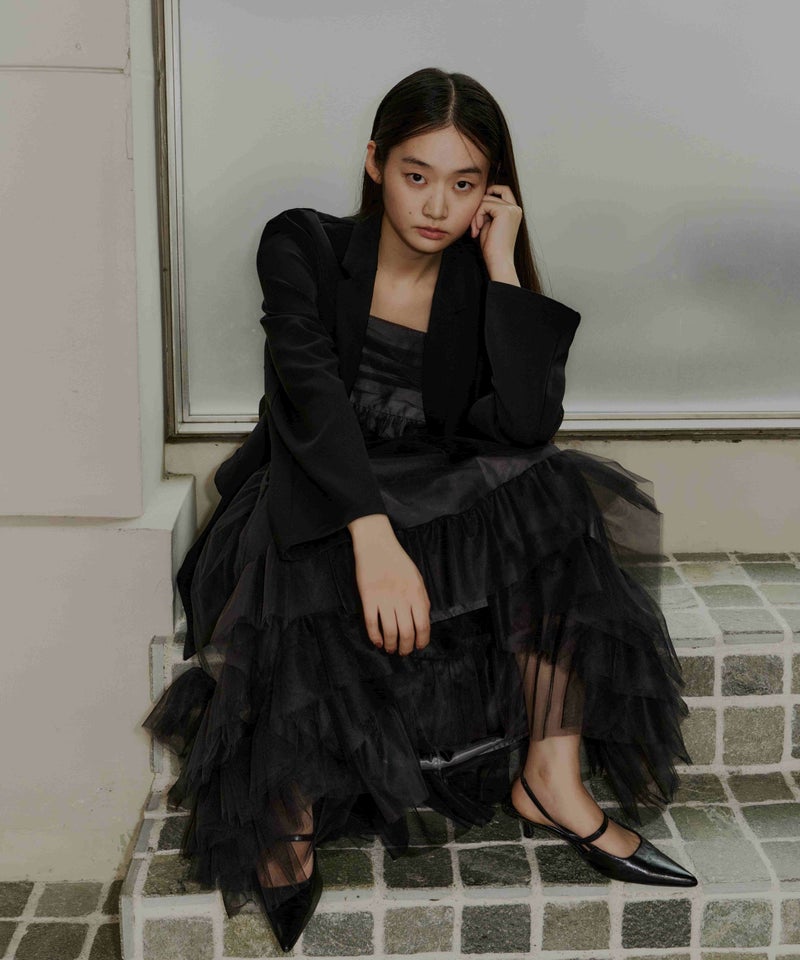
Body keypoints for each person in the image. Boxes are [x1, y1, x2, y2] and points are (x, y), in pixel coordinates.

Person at [142, 66, 697, 953]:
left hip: (430, 487)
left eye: (465, 183)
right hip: (314, 479)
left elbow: (527, 426)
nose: (437, 204)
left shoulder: (476, 281)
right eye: (416, 174)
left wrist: (504, 265)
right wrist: (372, 538)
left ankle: (550, 779)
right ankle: (287, 800)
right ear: (374, 163)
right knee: (304, 550)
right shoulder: (302, 243)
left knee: (554, 488)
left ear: (491, 191)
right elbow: (310, 400)